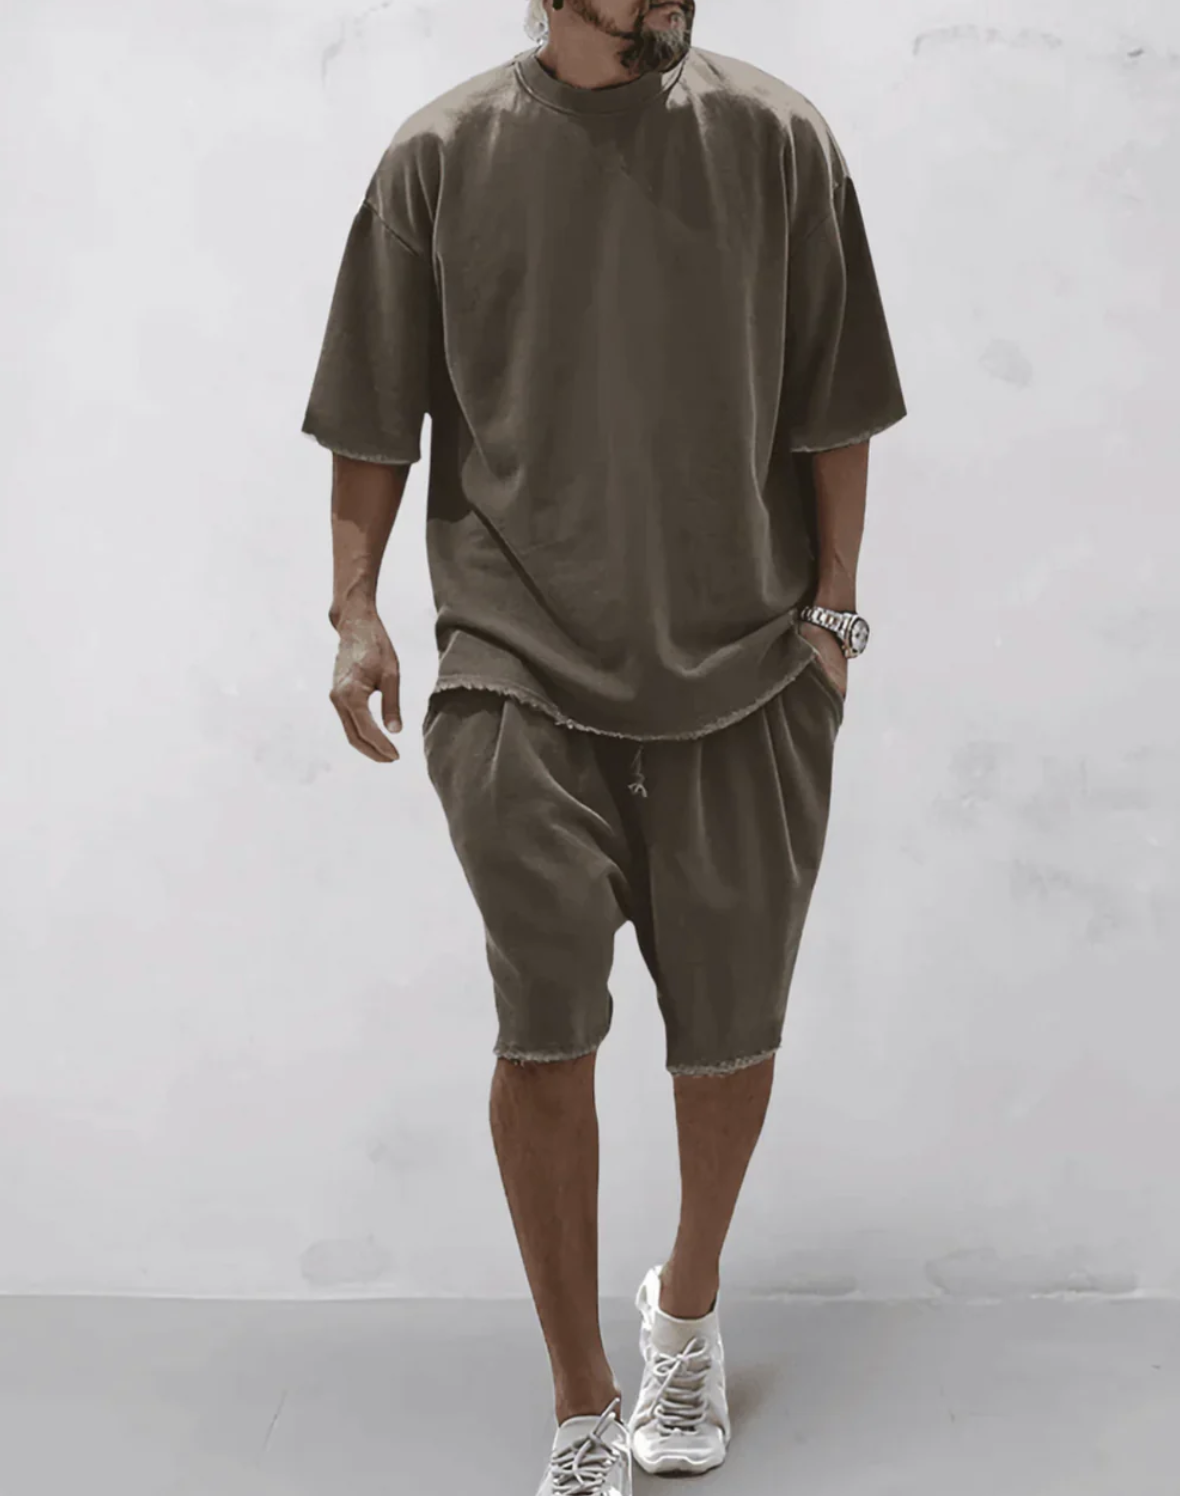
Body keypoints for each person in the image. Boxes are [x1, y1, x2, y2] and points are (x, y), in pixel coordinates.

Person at [302, 0, 906, 1490]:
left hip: (747, 669)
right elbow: (373, 413)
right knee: (547, 1022)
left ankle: (683, 1310)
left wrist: (834, 620)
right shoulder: (439, 158)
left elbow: (837, 398)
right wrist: (357, 613)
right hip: (515, 671)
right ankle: (581, 1401)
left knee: (731, 1032)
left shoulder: (779, 140)